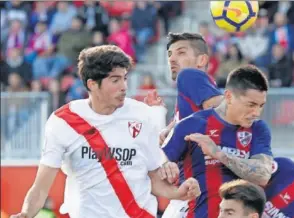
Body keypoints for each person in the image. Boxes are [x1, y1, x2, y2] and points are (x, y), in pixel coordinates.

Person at [10, 45, 201, 218]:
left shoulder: (143, 115)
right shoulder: (63, 121)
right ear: (92, 84)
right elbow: (41, 188)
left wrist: (178, 193)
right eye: (115, 80)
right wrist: (26, 214)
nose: (124, 87)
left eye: (125, 78)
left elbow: (153, 178)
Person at [161, 65, 273, 218]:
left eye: (261, 106)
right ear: (228, 97)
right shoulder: (191, 125)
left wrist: (218, 154)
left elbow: (263, 175)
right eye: (251, 105)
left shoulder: (258, 129)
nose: (256, 112)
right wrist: (168, 170)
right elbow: (157, 168)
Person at [157, 32, 224, 145]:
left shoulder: (187, 75)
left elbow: (220, 107)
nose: (171, 59)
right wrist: (169, 129)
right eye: (169, 54)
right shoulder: (196, 86)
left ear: (201, 60)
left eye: (181, 53)